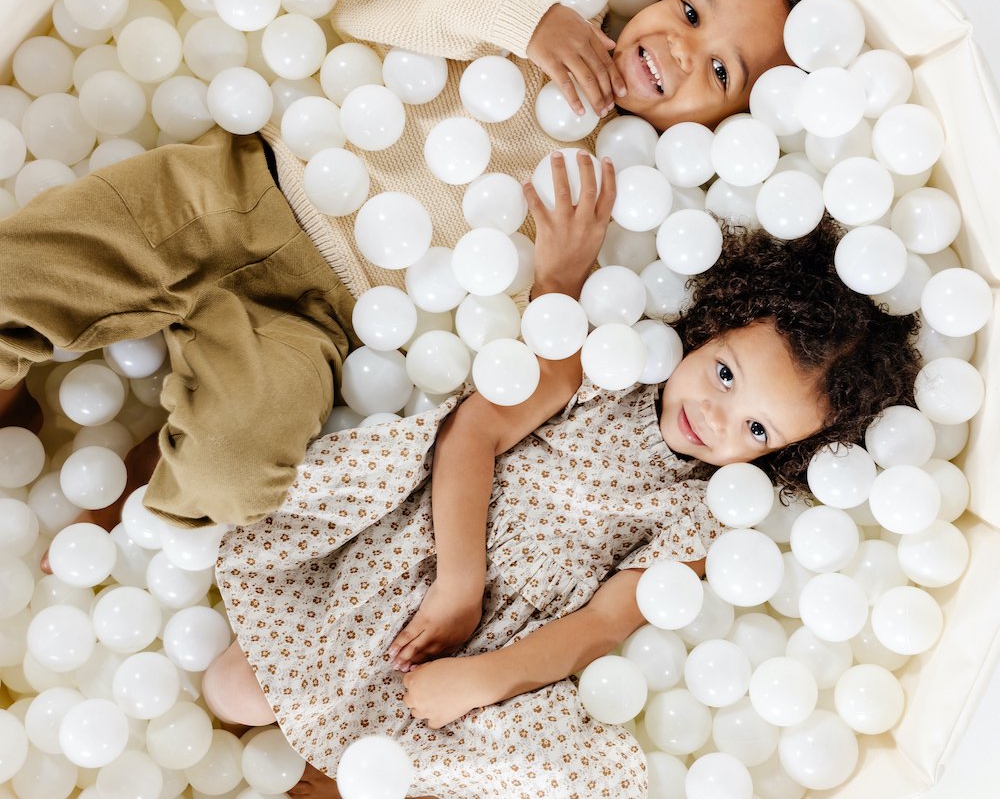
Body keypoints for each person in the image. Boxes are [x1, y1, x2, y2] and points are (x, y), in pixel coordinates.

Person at [0, 0, 816, 539]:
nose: (678, 47)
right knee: (27, 276)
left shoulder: (644, 208)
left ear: (732, 126)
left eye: (719, 70)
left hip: (318, 322)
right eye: (691, 10)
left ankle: (133, 498)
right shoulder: (544, 13)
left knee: (234, 472)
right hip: (242, 190)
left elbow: (530, 373)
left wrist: (560, 281)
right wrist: (529, 20)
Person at [203, 154, 920, 799]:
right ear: (709, 328)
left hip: (507, 639)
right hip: (423, 556)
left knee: (539, 772)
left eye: (758, 430)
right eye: (724, 374)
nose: (718, 418)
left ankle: (344, 778)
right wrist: (457, 585)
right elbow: (473, 435)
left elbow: (603, 622)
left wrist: (482, 678)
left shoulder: (703, 517)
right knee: (235, 690)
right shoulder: (603, 372)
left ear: (778, 457)